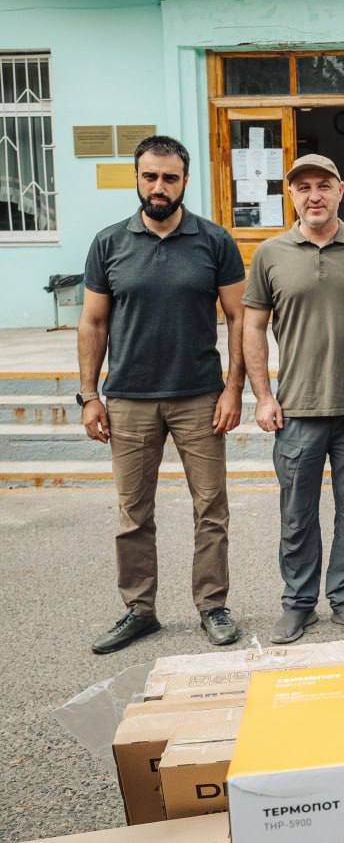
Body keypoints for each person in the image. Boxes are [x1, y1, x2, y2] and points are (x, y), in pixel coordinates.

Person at [78, 135, 245, 654]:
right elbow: (93, 322)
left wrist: (234, 387)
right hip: (128, 397)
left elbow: (241, 317)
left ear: (184, 181)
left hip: (199, 395)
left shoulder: (214, 241)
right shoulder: (108, 243)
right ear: (137, 177)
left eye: (169, 177)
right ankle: (139, 610)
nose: (159, 187)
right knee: (132, 512)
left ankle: (212, 606)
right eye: (150, 176)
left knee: (211, 508)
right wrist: (89, 394)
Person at [242, 153, 344, 645]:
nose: (314, 195)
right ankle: (298, 604)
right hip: (296, 410)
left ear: (340, 190)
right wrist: (262, 396)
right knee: (296, 512)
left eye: (323, 185)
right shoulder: (270, 254)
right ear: (291, 195)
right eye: (303, 187)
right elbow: (253, 327)